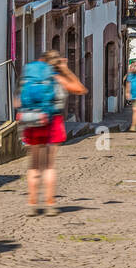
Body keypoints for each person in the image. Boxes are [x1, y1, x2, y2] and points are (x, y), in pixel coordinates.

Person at [16, 50, 86, 217]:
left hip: (32, 119)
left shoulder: (30, 78)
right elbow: (80, 89)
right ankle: (49, 203)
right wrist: (66, 70)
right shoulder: (57, 79)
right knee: (48, 165)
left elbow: (18, 101)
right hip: (52, 122)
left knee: (34, 165)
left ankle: (33, 203)